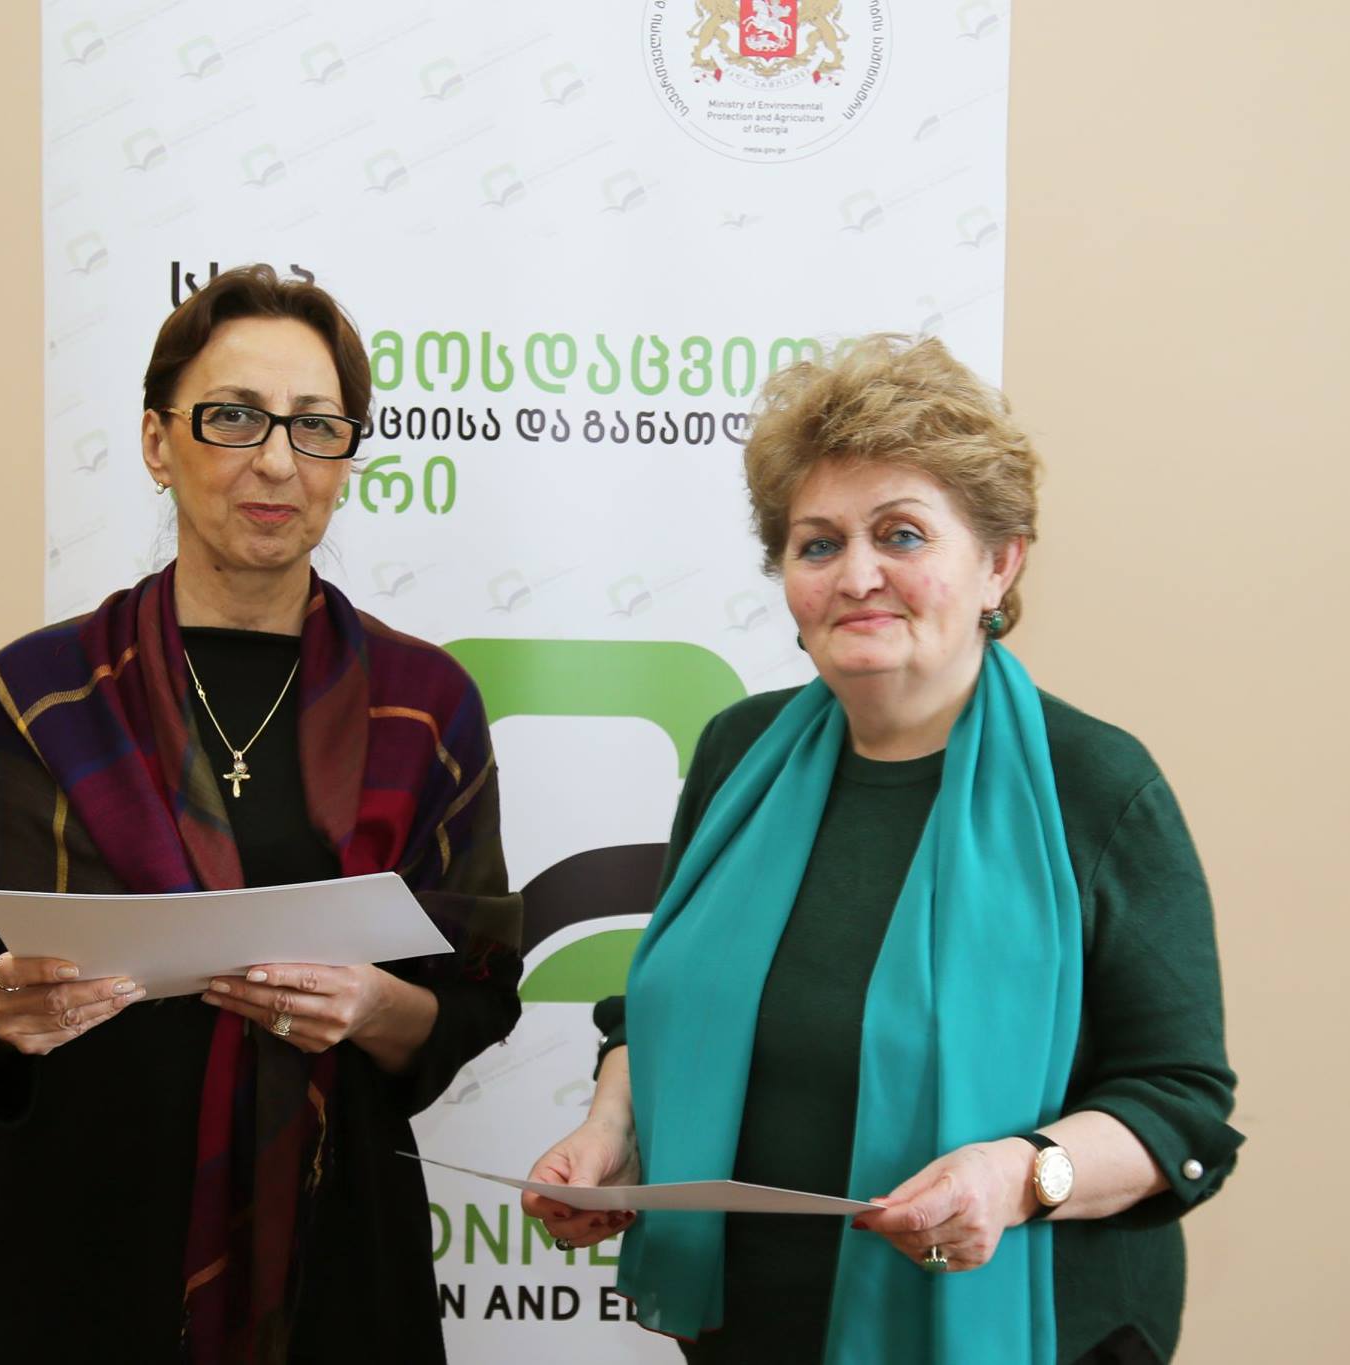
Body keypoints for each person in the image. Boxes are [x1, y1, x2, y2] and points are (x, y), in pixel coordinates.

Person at [524, 335, 1241, 1364]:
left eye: (901, 535)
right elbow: (658, 1008)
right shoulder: (737, 753)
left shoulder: (1097, 784)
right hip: (753, 1334)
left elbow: (1180, 1104)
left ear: (999, 564)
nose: (857, 575)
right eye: (818, 545)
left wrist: (1017, 1176)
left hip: (1026, 1330)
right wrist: (613, 1133)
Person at [0, 265, 521, 1364]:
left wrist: (374, 1008)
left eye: (315, 425)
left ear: (346, 459)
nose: (276, 461)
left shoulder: (425, 706)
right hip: (73, 1257)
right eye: (233, 417)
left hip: (336, 1262)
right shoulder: (36, 696)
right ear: (157, 442)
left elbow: (476, 993)